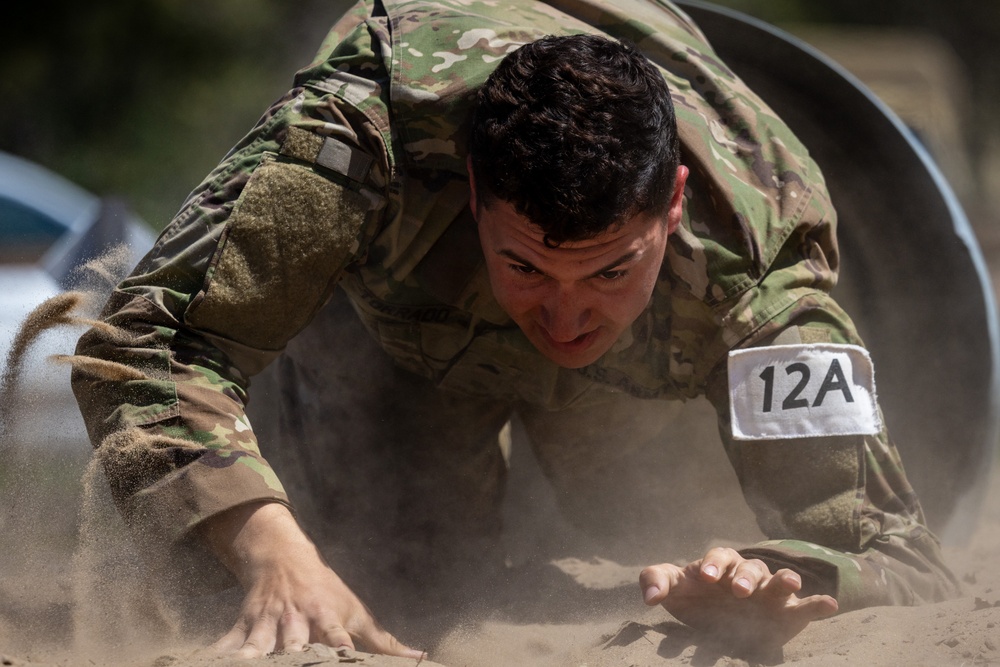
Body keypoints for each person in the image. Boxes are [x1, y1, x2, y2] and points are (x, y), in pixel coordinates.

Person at [71, 0, 960, 660]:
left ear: (676, 203)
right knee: (383, 577)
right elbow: (147, 340)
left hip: (637, 391)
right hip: (400, 341)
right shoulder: (356, 138)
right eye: (528, 266)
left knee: (628, 535)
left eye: (612, 268)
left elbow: (896, 552)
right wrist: (270, 546)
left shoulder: (759, 252)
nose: (566, 316)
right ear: (469, 191)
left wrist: (772, 573)